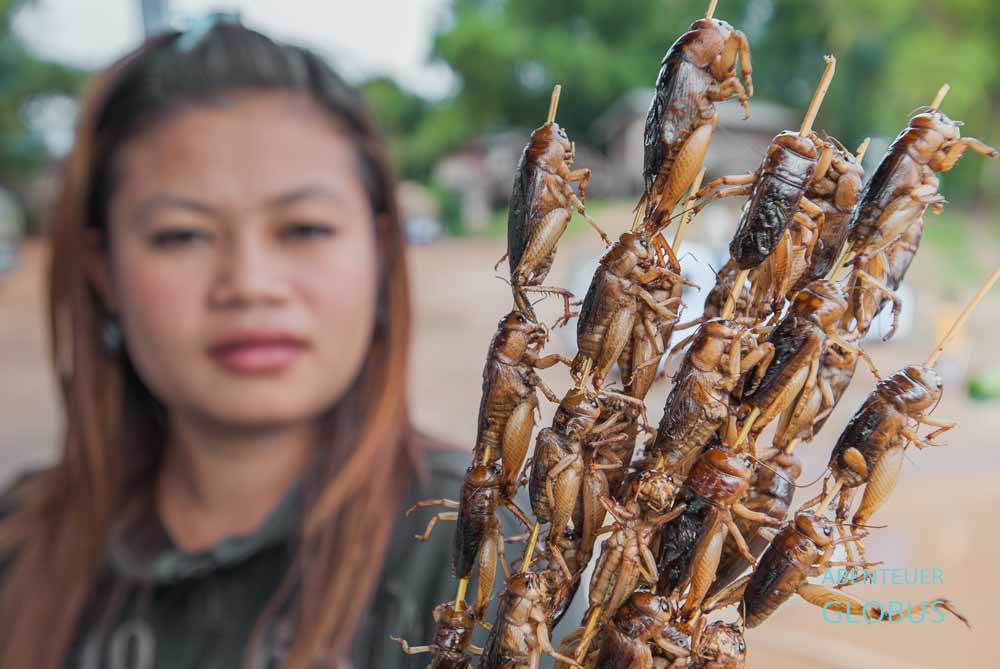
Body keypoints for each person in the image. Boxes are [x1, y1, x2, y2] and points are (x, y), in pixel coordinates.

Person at [0, 21, 479, 669]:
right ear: (102, 270)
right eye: (181, 235)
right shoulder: (21, 542)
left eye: (304, 228)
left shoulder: (486, 542)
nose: (250, 285)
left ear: (381, 251)